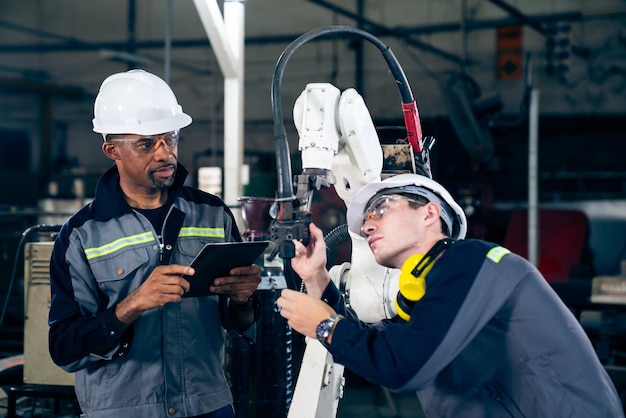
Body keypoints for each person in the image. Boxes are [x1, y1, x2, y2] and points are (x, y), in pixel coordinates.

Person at [277, 173, 624, 417]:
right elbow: (377, 346)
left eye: (381, 209)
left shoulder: (474, 261)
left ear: (429, 212)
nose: (367, 227)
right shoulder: (428, 292)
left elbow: (403, 367)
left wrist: (326, 326)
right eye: (366, 219)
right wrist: (318, 277)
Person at [48, 69, 261, 418]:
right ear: (112, 150)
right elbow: (65, 349)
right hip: (124, 411)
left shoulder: (212, 215)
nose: (165, 154)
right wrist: (131, 305)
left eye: (171, 139)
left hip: (207, 405)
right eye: (147, 144)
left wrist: (242, 301)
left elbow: (237, 320)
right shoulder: (82, 236)